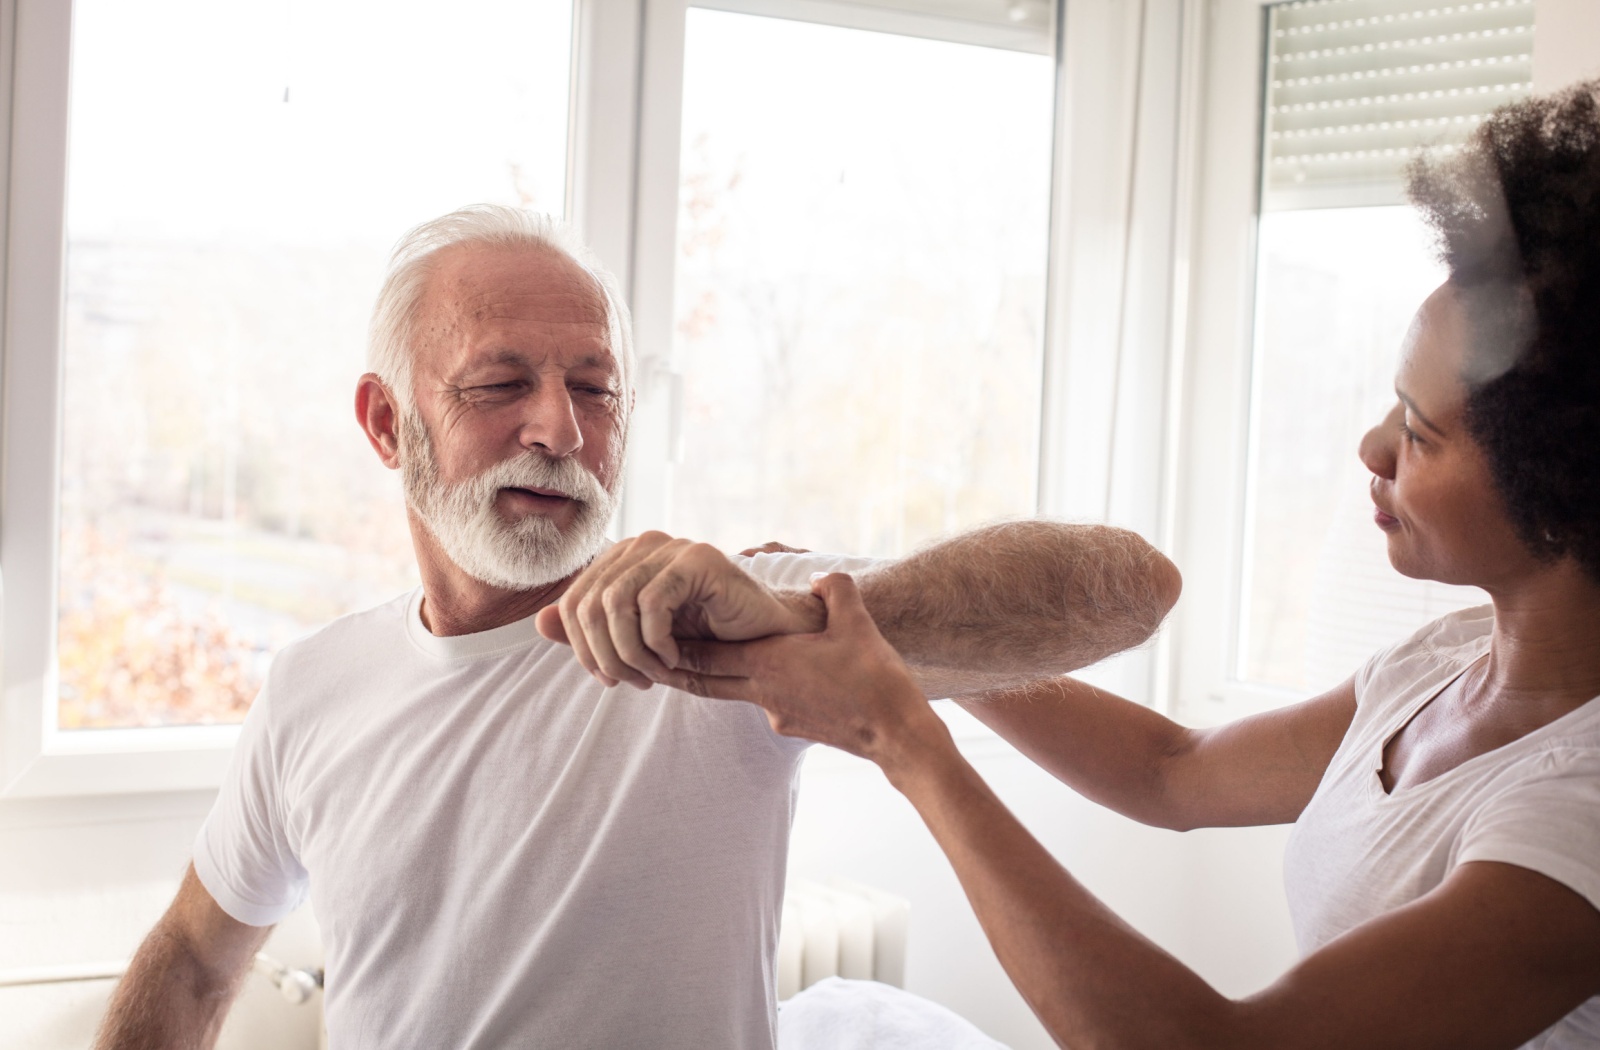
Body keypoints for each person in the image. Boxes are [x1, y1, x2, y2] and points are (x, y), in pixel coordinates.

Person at [565, 84, 1600, 1046]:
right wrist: (856, 614)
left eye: (1418, 434)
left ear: (1559, 483)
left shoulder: (1578, 804)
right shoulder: (1439, 665)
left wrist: (902, 737)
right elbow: (1168, 770)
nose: (1371, 448)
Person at [94, 205, 1182, 1049]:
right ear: (388, 423)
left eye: (595, 388)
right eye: (500, 383)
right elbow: (194, 954)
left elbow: (1127, 588)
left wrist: (795, 620)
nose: (560, 428)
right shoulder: (314, 686)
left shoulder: (732, 622)